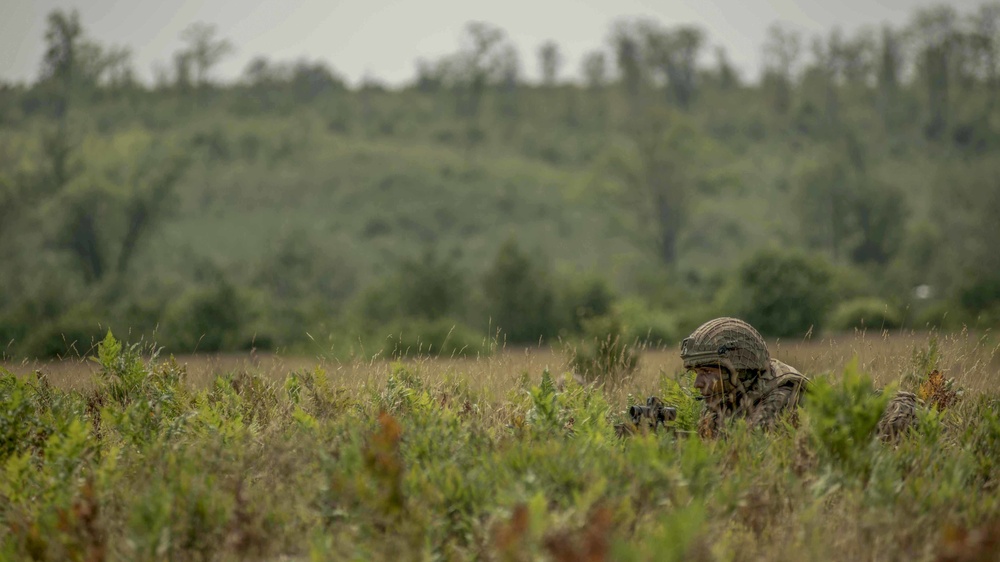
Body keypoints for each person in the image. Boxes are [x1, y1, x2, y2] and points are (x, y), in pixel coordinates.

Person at [631, 317, 920, 441]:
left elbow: (745, 449)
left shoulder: (780, 395)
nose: (697, 383)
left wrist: (673, 440)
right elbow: (713, 435)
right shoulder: (733, 390)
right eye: (696, 374)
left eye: (707, 372)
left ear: (737, 366)